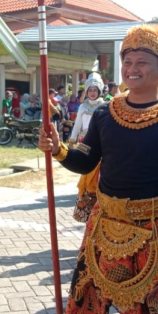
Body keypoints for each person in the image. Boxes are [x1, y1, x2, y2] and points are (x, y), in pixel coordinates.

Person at [40, 24, 158, 314]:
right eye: (127, 61)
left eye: (142, 61)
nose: (132, 68)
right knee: (90, 307)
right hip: (105, 224)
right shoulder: (106, 113)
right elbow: (86, 161)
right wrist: (59, 150)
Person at [68, 72, 104, 223]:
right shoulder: (83, 106)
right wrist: (71, 140)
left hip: (100, 144)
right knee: (85, 173)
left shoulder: (104, 107)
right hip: (84, 143)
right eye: (90, 90)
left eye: (95, 90)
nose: (92, 93)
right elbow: (77, 125)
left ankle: (100, 200)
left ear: (100, 91)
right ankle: (87, 205)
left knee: (98, 174)